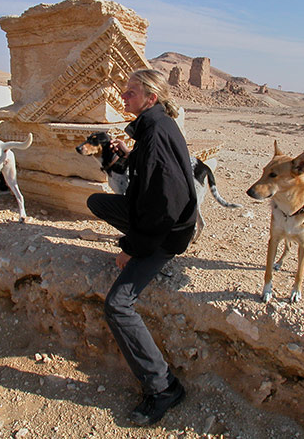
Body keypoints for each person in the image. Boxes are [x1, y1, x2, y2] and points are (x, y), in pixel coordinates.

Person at [86, 69, 198, 426]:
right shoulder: (155, 126)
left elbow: (163, 207)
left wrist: (131, 248)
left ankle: (163, 387)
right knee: (98, 201)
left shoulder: (157, 135)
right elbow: (148, 174)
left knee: (118, 306)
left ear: (150, 98)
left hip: (165, 233)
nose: (124, 97)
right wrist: (125, 156)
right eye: (124, 91)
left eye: (131, 93)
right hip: (154, 219)